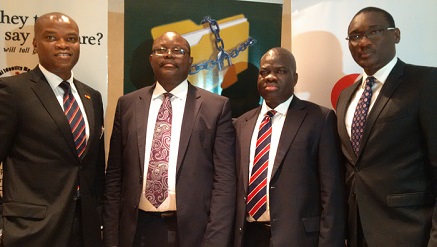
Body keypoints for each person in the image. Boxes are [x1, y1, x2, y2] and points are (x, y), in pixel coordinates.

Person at [103, 31, 236, 247]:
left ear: (190, 61)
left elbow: (225, 182)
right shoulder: (127, 104)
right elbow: (114, 176)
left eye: (178, 51)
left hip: (191, 234)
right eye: (161, 50)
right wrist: (110, 237)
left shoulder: (215, 107)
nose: (169, 55)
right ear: (151, 59)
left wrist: (215, 241)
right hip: (136, 231)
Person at [0, 12, 105, 246]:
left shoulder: (92, 97)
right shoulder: (12, 91)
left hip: (84, 227)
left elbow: (95, 166)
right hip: (31, 229)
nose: (62, 45)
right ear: (35, 43)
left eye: (71, 39)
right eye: (51, 37)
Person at [336, 6, 437, 246]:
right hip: (357, 230)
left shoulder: (425, 83)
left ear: (396, 35)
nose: (363, 42)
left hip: (410, 231)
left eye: (374, 32)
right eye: (355, 36)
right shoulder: (346, 95)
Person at [233, 47, 345, 246]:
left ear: (295, 78)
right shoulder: (241, 124)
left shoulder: (319, 119)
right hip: (247, 237)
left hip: (298, 238)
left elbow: (332, 192)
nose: (270, 77)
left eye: (280, 71)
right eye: (264, 72)